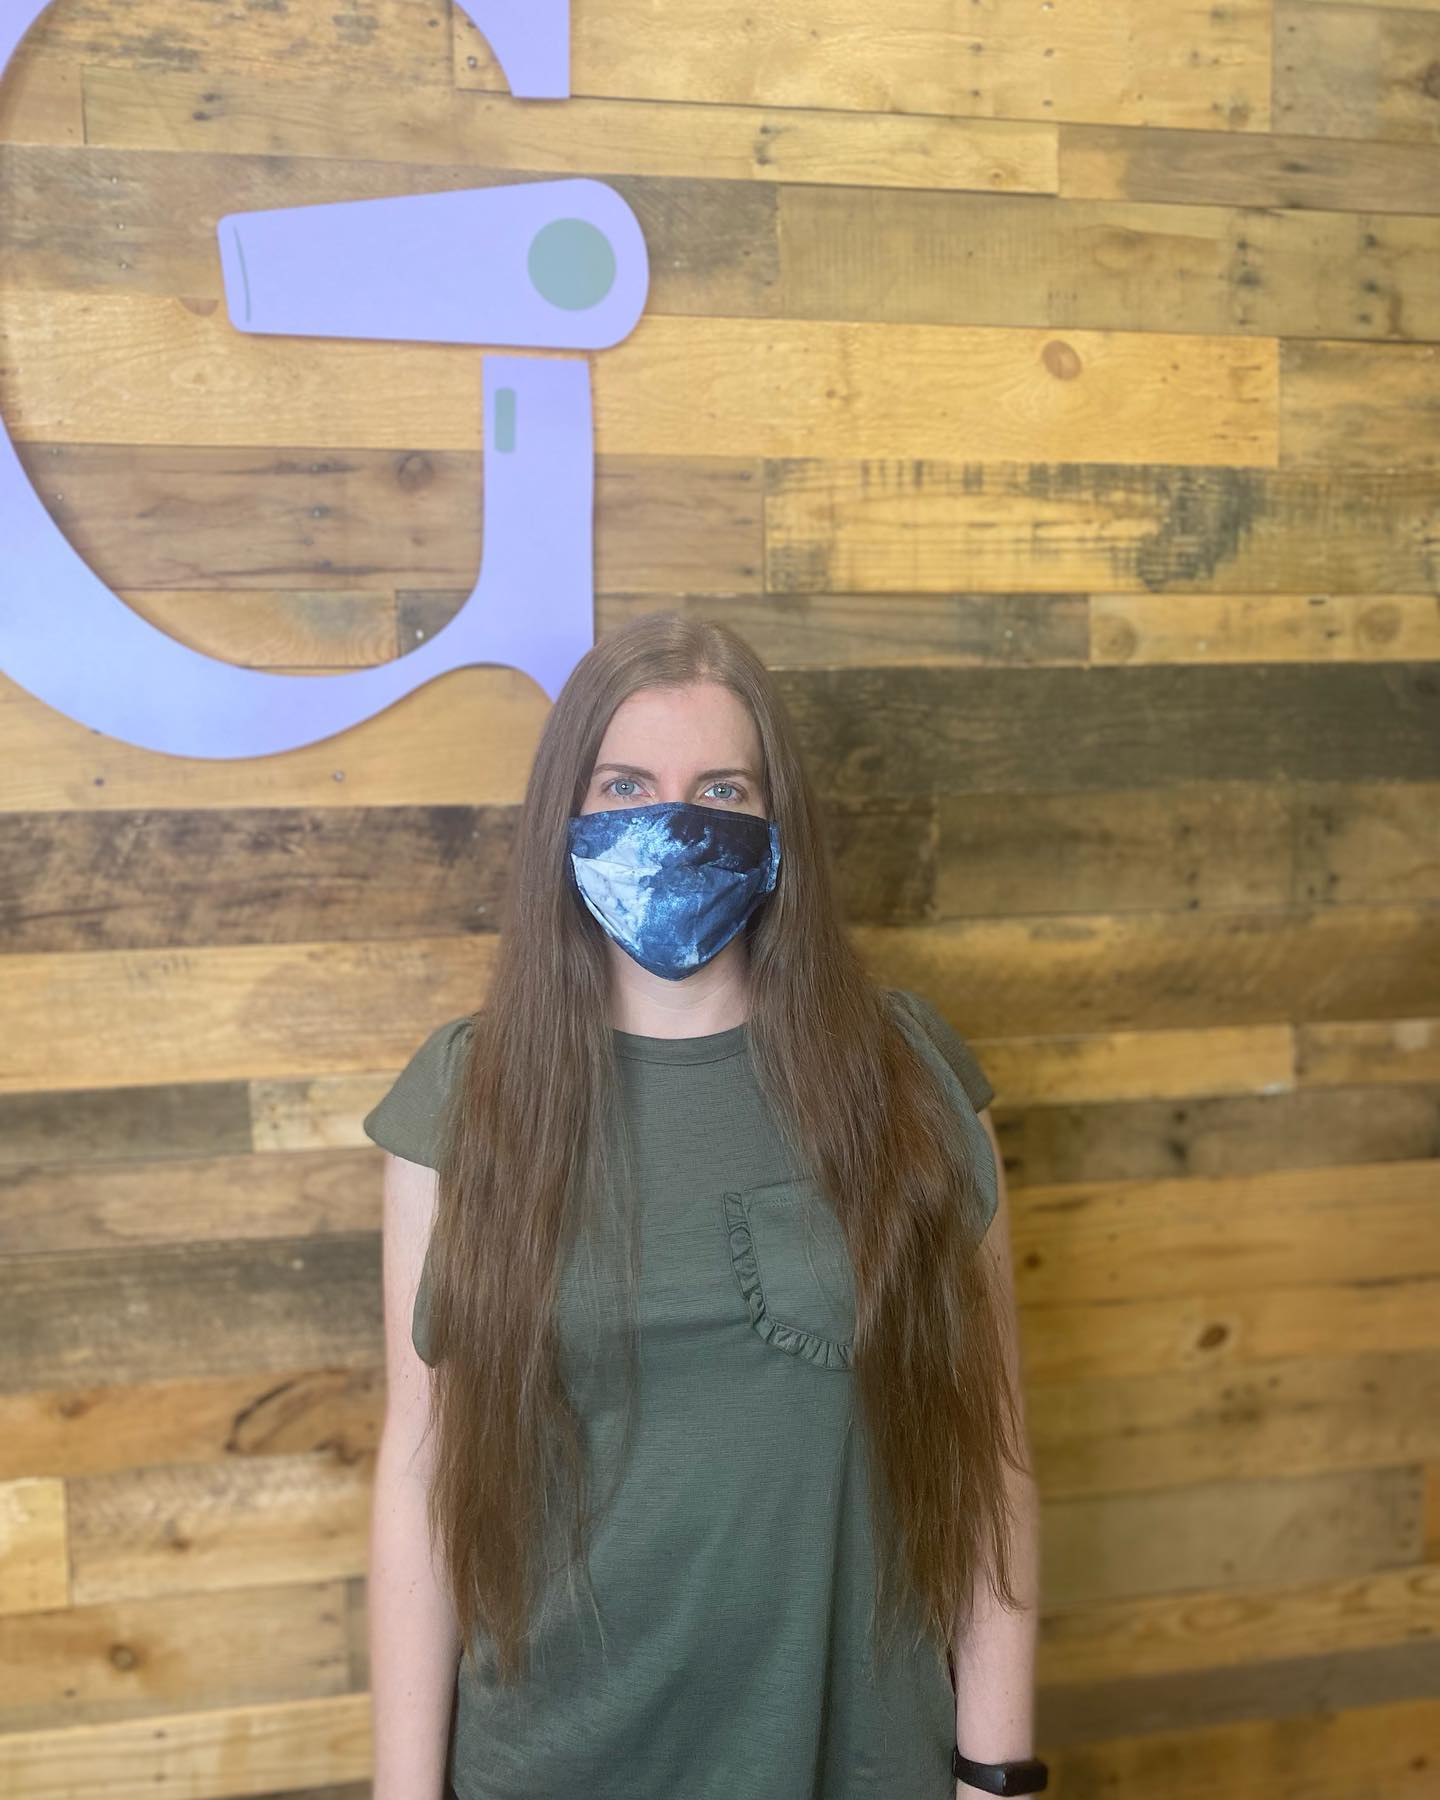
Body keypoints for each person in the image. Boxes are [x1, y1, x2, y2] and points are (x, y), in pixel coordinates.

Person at [366, 612, 1042, 1800]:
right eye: (626, 785)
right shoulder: (467, 1100)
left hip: (854, 1758)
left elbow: (990, 1457)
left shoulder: (907, 1080)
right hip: (552, 1763)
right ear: (565, 816)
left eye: (721, 789)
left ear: (778, 828)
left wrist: (997, 1776)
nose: (673, 824)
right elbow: (421, 1475)